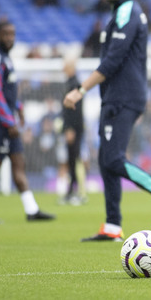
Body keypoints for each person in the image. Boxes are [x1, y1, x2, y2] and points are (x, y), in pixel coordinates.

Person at [63, 0, 151, 242]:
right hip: (116, 96)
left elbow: (113, 60)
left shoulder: (129, 11)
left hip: (124, 96)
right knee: (106, 160)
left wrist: (80, 90)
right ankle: (113, 226)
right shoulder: (118, 13)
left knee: (113, 158)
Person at [0, 21, 55, 223]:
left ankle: (32, 210)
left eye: (13, 34)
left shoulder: (6, 59)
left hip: (8, 120)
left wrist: (18, 108)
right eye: (6, 34)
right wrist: (8, 121)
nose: (10, 38)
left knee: (19, 161)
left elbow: (8, 93)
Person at [61, 59, 85, 204]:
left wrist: (70, 129)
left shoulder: (74, 84)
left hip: (74, 129)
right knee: (72, 160)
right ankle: (72, 190)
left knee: (74, 159)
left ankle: (77, 191)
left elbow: (75, 111)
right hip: (73, 128)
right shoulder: (71, 83)